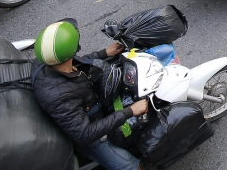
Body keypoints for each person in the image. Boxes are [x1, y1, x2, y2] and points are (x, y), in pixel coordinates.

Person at [32, 20, 148, 170]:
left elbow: (76, 63)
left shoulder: (49, 62)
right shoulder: (60, 97)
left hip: (85, 108)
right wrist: (130, 111)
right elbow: (85, 134)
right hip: (90, 138)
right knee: (131, 167)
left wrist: (103, 53)